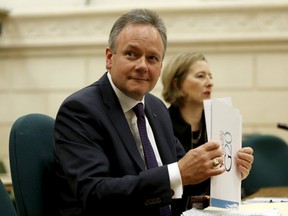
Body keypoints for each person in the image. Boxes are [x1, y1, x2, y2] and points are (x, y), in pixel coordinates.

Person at [53, 9, 253, 216]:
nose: (142, 66)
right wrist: (179, 172)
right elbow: (94, 194)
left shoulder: (156, 108)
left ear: (160, 66)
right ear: (109, 57)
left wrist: (228, 170)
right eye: (131, 54)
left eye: (152, 58)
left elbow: (185, 179)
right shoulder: (80, 110)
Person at [161, 51, 254, 209]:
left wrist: (239, 172)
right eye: (200, 76)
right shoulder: (162, 123)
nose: (209, 82)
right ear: (177, 83)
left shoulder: (221, 121)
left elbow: (224, 180)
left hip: (218, 209)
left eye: (210, 76)